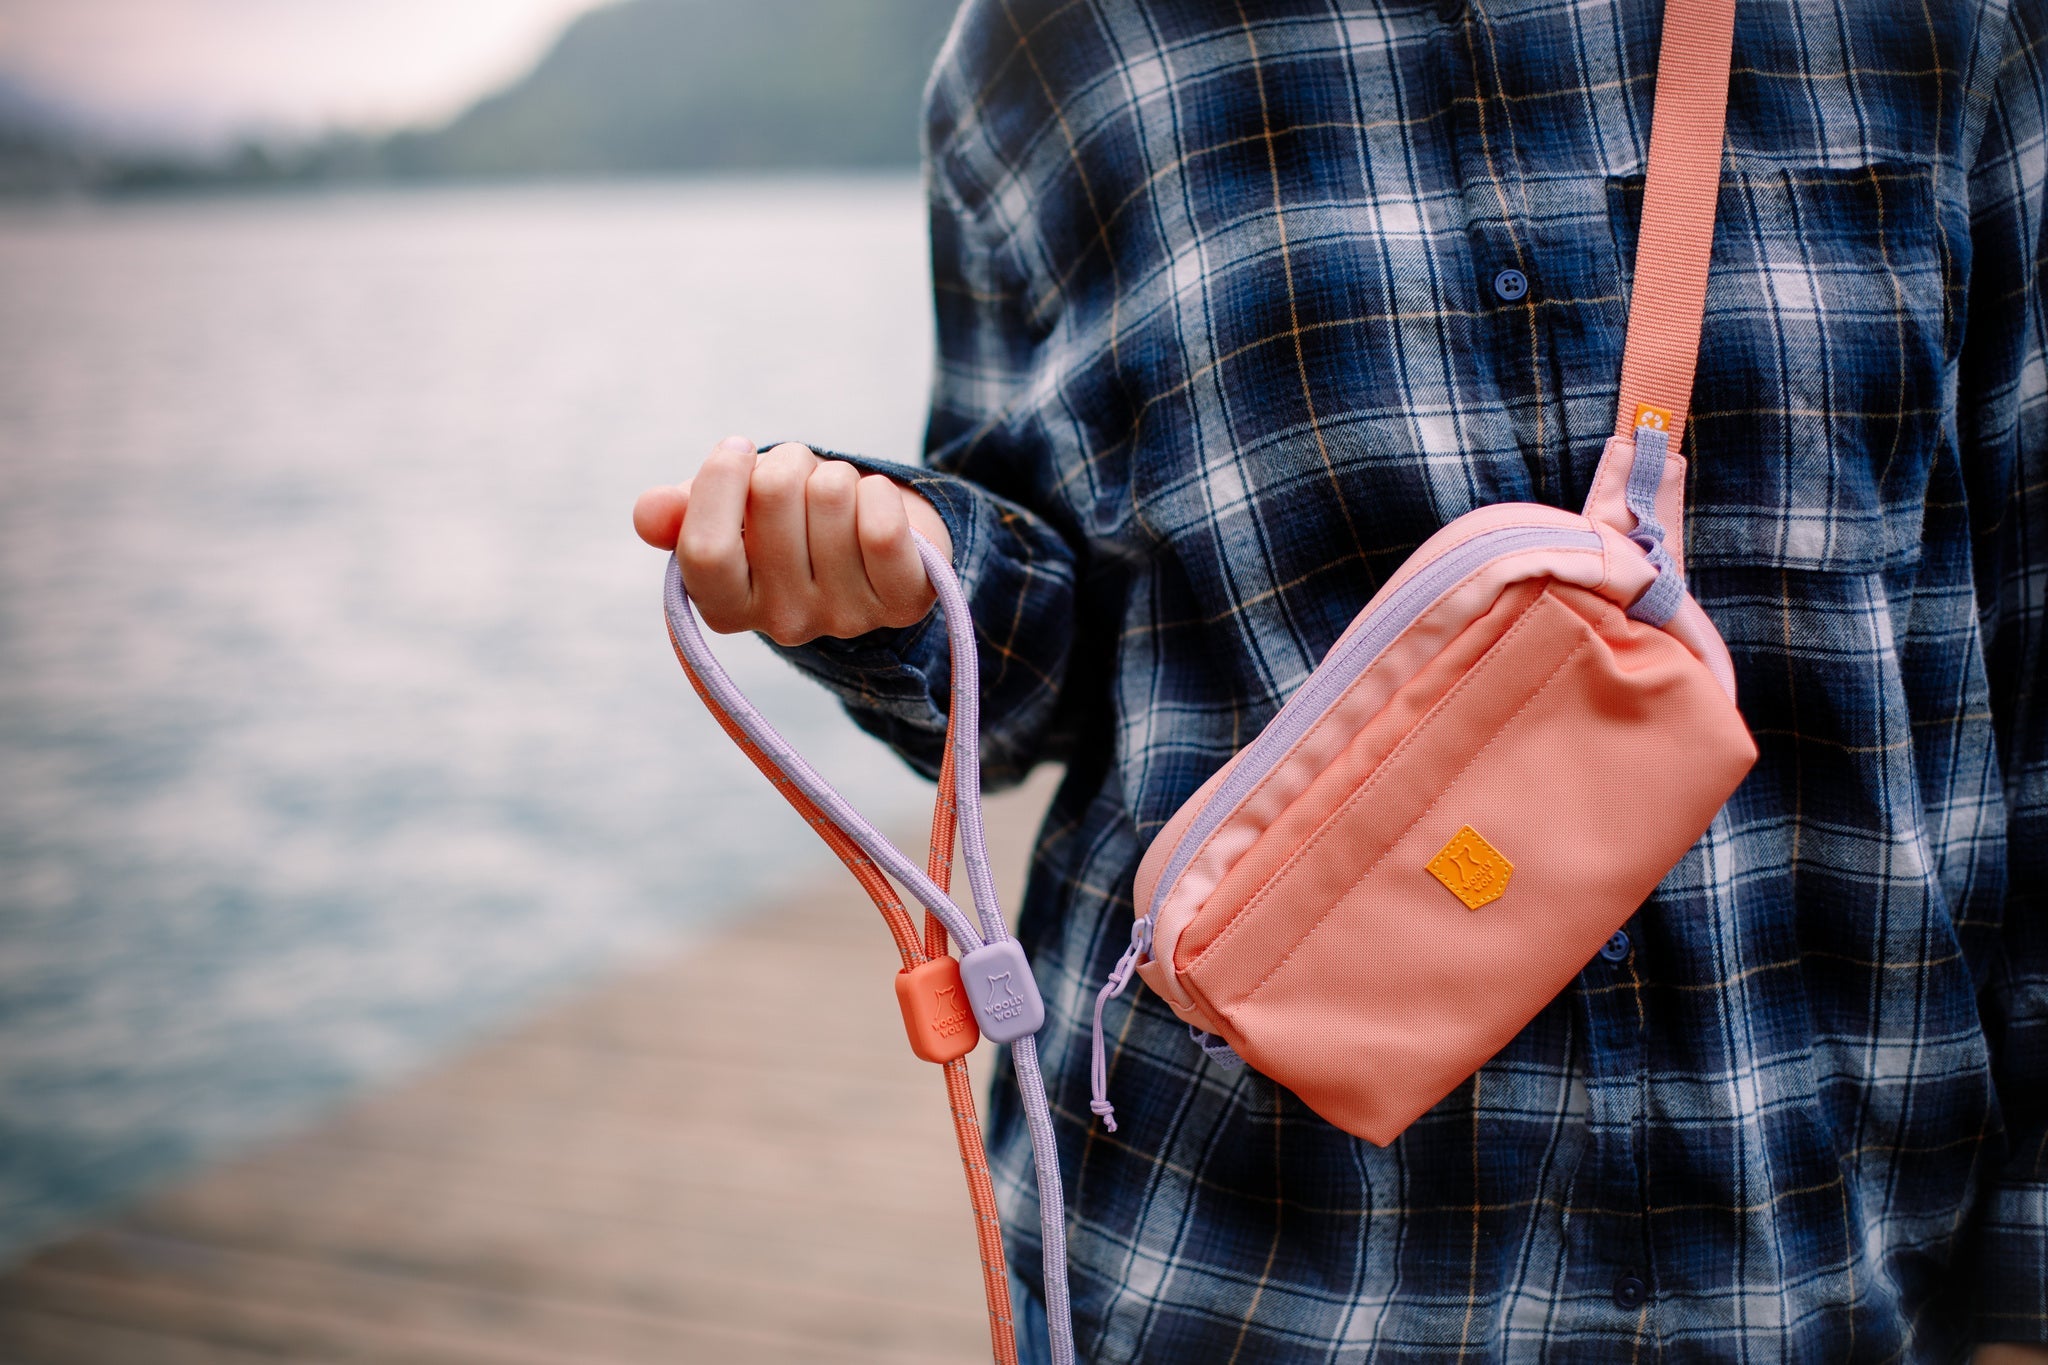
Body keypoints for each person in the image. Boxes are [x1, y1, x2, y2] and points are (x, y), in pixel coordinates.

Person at [635, 1, 2047, 1359]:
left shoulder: (1938, 21)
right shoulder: (1060, 44)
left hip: (1832, 1266)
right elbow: (1042, 670)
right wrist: (886, 585)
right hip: (1251, 1280)